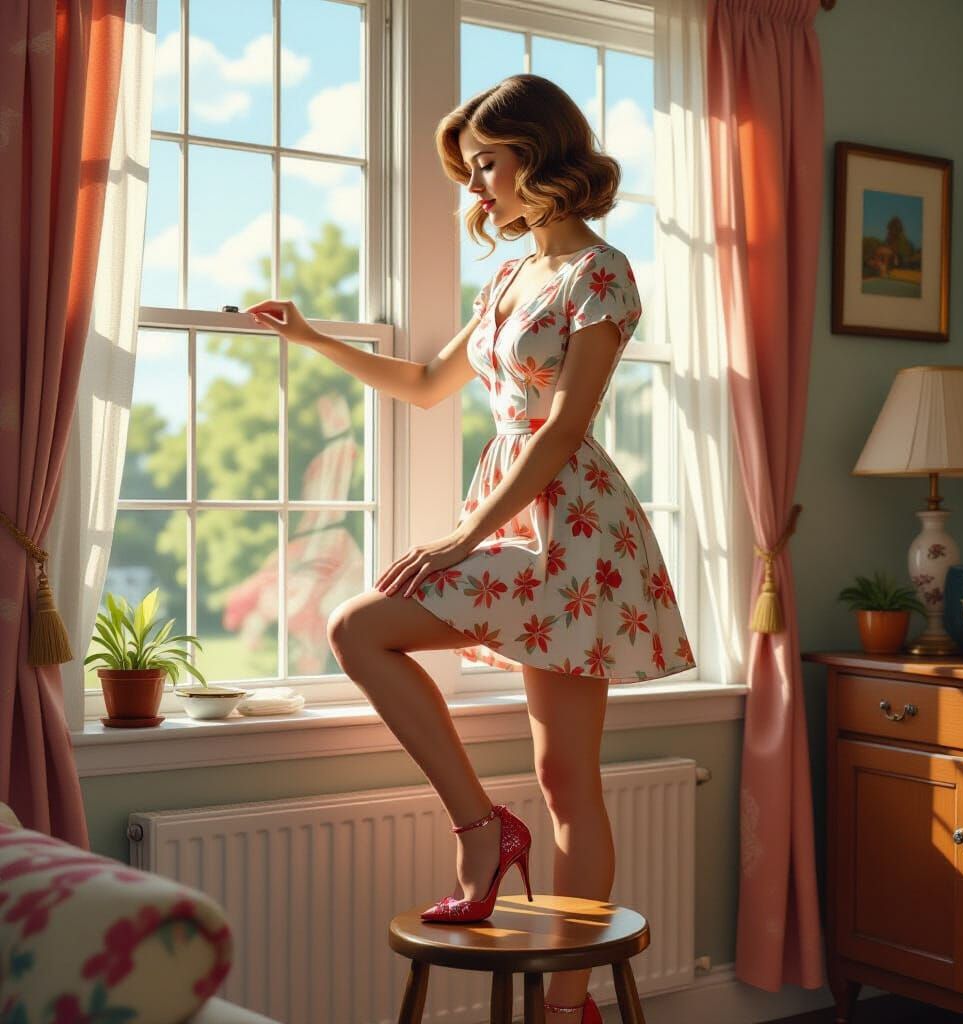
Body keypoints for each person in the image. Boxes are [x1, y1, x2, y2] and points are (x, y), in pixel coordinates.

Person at [246, 73, 694, 1024]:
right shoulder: (509, 275)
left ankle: (568, 1007)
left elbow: (563, 429)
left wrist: (465, 534)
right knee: (361, 628)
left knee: (568, 778)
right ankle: (483, 831)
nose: (476, 185)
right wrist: (312, 336)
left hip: (576, 535)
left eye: (486, 163)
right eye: (471, 169)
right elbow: (422, 383)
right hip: (514, 513)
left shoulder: (601, 272)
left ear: (538, 154)